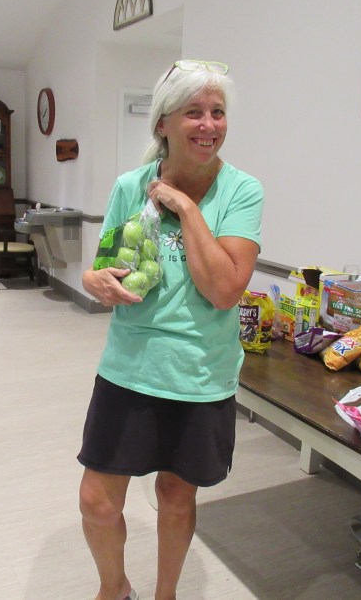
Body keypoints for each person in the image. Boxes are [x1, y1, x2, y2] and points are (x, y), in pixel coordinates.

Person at [78, 60, 264, 600]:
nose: (209, 125)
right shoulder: (129, 187)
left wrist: (183, 206)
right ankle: (114, 590)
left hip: (199, 373)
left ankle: (167, 595)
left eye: (217, 112)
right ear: (163, 122)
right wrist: (93, 279)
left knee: (176, 497)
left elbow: (224, 290)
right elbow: (106, 265)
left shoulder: (242, 191)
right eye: (193, 112)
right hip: (129, 367)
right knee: (96, 500)